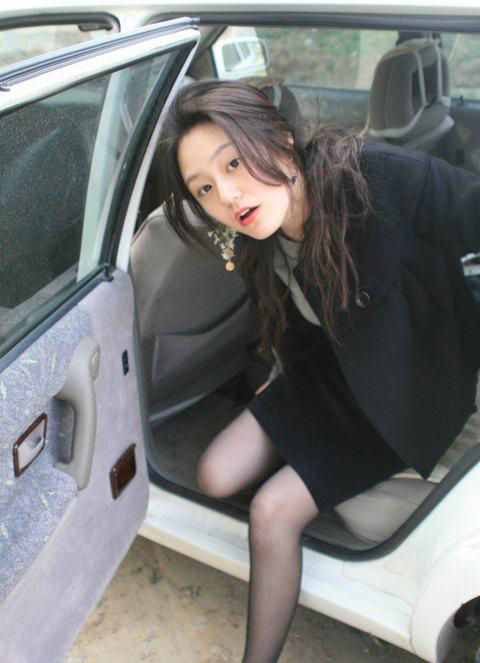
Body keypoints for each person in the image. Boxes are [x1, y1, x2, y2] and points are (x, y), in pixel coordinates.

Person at [158, 79, 480, 663]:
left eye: (233, 163)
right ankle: (306, 460)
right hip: (329, 375)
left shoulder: (379, 179)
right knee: (213, 474)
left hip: (401, 388)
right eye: (204, 187)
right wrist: (280, 373)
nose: (226, 194)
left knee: (272, 511)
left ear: (280, 139)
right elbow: (297, 319)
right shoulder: (257, 232)